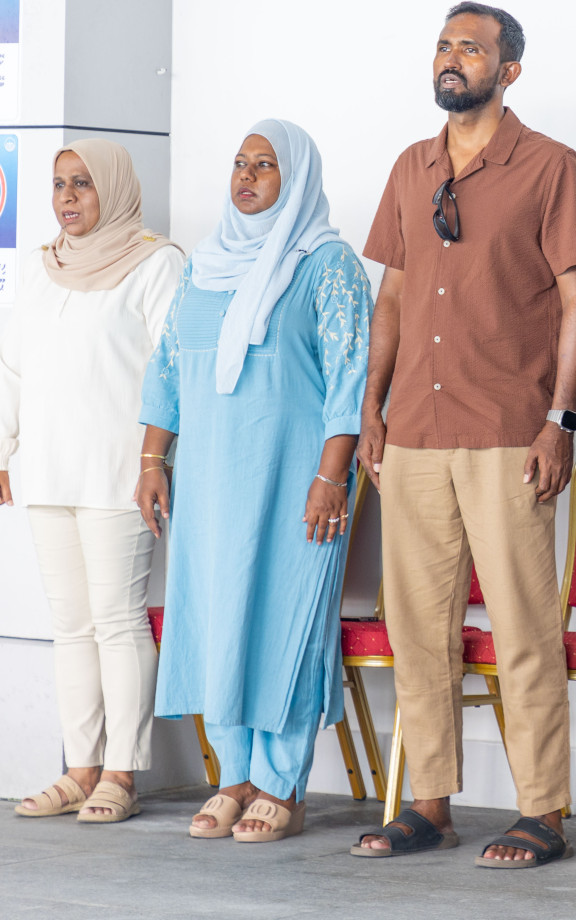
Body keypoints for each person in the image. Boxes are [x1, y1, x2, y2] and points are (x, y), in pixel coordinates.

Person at [351, 1, 576, 868]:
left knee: (525, 626)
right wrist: (370, 410)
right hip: (414, 427)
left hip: (506, 430)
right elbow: (391, 299)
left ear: (510, 69)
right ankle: (430, 805)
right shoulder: (411, 167)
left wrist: (561, 421)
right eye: (445, 45)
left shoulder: (551, 168)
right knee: (420, 628)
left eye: (472, 47)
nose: (453, 59)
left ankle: (541, 813)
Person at [136, 119, 372, 843]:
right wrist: (151, 461)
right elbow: (168, 371)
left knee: (283, 624)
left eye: (264, 166)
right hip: (209, 484)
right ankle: (233, 777)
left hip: (296, 483)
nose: (246, 176)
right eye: (240, 163)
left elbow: (351, 378)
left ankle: (281, 783)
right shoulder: (206, 266)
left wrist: (333, 476)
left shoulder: (327, 264)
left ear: (295, 178)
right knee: (217, 620)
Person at [1, 140, 183, 823]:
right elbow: (10, 367)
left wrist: (154, 462)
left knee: (115, 621)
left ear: (113, 187)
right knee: (70, 625)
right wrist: (1, 449)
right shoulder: (43, 268)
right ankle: (79, 769)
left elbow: (173, 370)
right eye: (57, 185)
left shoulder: (156, 263)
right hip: (46, 470)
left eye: (82, 183)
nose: (68, 197)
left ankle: (122, 772)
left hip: (119, 473)